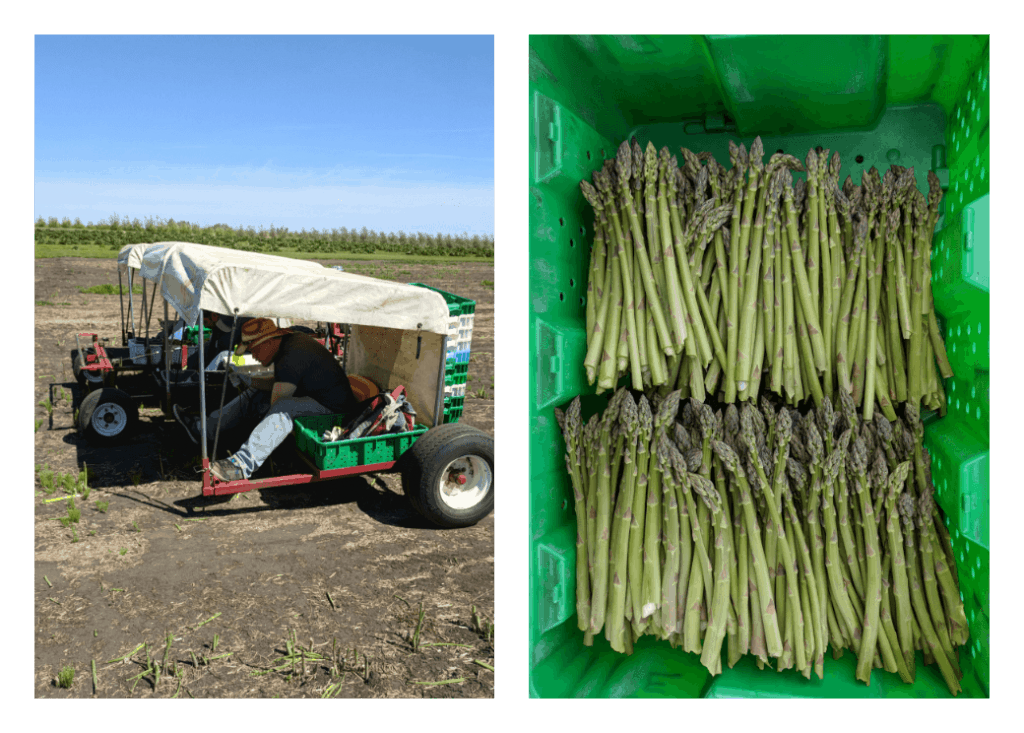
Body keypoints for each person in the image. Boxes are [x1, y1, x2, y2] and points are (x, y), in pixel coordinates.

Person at [173, 317, 358, 482]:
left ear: (267, 343)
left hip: (333, 410)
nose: (252, 355)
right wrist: (250, 380)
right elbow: (279, 383)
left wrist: (254, 393)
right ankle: (206, 428)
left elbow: (276, 402)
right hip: (315, 397)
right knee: (257, 391)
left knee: (284, 408)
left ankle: (242, 465)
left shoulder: (292, 355)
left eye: (253, 350)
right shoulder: (288, 345)